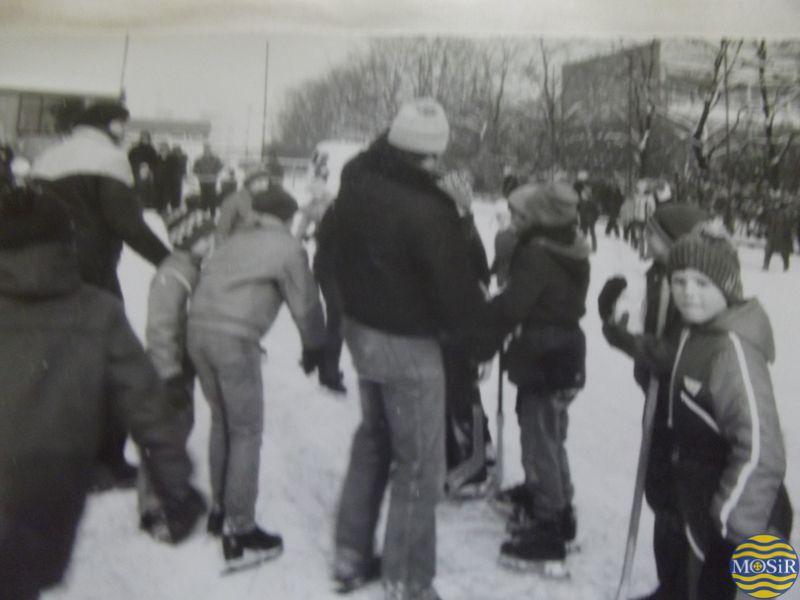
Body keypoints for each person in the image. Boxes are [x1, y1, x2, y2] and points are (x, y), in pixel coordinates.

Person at [0, 185, 205, 600]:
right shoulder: (98, 312)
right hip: (44, 499)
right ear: (66, 243)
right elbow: (149, 407)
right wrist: (177, 491)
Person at [332, 98, 492, 599]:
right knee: (419, 464)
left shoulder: (355, 182)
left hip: (362, 334)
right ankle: (408, 581)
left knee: (374, 438)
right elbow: (458, 286)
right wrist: (480, 342)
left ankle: (349, 553)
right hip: (409, 347)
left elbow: (333, 249)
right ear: (433, 152)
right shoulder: (430, 208)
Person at [31, 101, 171, 490]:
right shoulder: (109, 159)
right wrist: (169, 260)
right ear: (108, 125)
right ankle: (104, 461)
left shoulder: (48, 157)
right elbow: (126, 222)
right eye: (121, 124)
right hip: (92, 277)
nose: (124, 132)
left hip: (46, 275)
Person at [187, 182, 326, 570]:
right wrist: (316, 347)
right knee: (246, 430)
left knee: (222, 422)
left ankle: (219, 510)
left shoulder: (231, 240)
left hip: (196, 332)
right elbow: (307, 304)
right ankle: (241, 529)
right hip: (234, 340)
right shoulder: (286, 248)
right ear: (285, 215)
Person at [664, 222, 792, 599]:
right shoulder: (699, 333)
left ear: (728, 287)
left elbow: (762, 452)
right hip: (711, 511)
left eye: (702, 283)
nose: (688, 293)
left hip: (745, 525)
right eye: (679, 281)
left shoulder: (732, 351)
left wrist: (732, 533)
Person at [598, 203, 708, 600]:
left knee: (680, 503)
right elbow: (652, 337)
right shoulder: (659, 275)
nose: (643, 237)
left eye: (652, 233)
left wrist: (620, 337)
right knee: (662, 495)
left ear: (674, 241)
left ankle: (684, 589)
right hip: (661, 402)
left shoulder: (692, 285)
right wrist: (616, 320)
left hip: (687, 409)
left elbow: (671, 352)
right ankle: (672, 585)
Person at [489, 182, 590, 576]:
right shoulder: (570, 247)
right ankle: (559, 508)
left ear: (540, 218)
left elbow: (515, 304)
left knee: (540, 438)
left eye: (519, 216)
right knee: (551, 435)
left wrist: (488, 312)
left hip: (543, 356)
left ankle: (549, 526)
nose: (513, 222)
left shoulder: (536, 254)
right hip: (565, 353)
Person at [137, 208, 217, 541]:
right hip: (165, 370)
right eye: (206, 238)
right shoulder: (173, 275)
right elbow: (160, 328)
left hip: (180, 367)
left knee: (180, 428)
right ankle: (154, 509)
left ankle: (173, 491)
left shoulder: (194, 268)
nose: (213, 242)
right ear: (189, 242)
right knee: (163, 437)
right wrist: (168, 374)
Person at [438, 167, 494, 497]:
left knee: (461, 395)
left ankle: (472, 465)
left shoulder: (462, 234)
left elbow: (481, 280)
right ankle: (475, 451)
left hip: (459, 330)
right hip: (449, 329)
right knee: (457, 395)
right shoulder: (455, 230)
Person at [295, 172, 349, 393]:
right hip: (328, 266)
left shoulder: (338, 203)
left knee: (336, 317)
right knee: (334, 314)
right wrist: (303, 239)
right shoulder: (330, 208)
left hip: (339, 267)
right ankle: (327, 369)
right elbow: (305, 230)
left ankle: (321, 362)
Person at [192, 142, 224, 216]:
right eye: (205, 148)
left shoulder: (216, 158)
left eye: (208, 148)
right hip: (202, 180)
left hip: (212, 180)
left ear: (210, 149)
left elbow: (221, 166)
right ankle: (204, 212)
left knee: (212, 196)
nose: (207, 149)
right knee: (203, 196)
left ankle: (213, 213)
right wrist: (199, 171)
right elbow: (194, 169)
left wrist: (215, 171)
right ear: (203, 149)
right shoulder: (199, 158)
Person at [575, 172, 599, 253]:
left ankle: (593, 247)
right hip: (584, 218)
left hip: (590, 219)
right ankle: (585, 247)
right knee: (584, 233)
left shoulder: (591, 201)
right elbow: (577, 208)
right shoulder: (581, 201)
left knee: (591, 233)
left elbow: (596, 211)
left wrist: (595, 218)